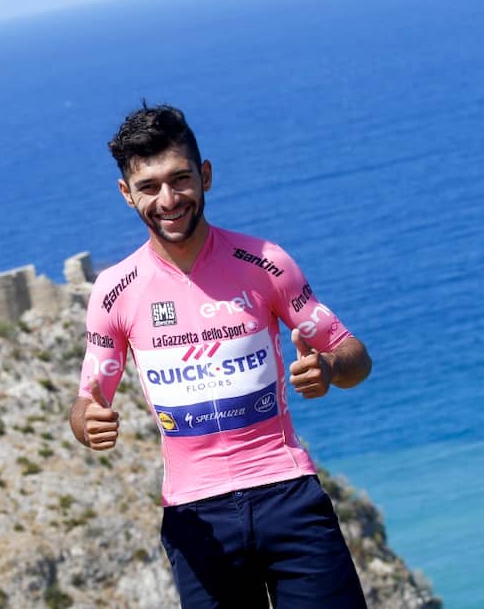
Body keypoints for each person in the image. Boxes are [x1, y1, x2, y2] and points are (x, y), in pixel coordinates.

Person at [69, 103, 372, 608]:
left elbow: (354, 356)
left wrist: (329, 367)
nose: (168, 200)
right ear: (127, 194)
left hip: (288, 496)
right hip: (196, 519)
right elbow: (86, 403)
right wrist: (88, 424)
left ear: (205, 175)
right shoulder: (114, 291)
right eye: (149, 187)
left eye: (180, 179)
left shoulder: (266, 263)